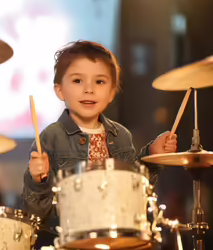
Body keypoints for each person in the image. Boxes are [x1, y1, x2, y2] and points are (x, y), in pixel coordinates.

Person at [21, 40, 177, 232]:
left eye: (99, 81)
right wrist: (38, 181)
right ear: (59, 90)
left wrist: (152, 155)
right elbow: (35, 215)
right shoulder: (51, 137)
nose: (89, 89)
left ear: (112, 93)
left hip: (115, 237)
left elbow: (136, 193)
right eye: (78, 80)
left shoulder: (121, 136)